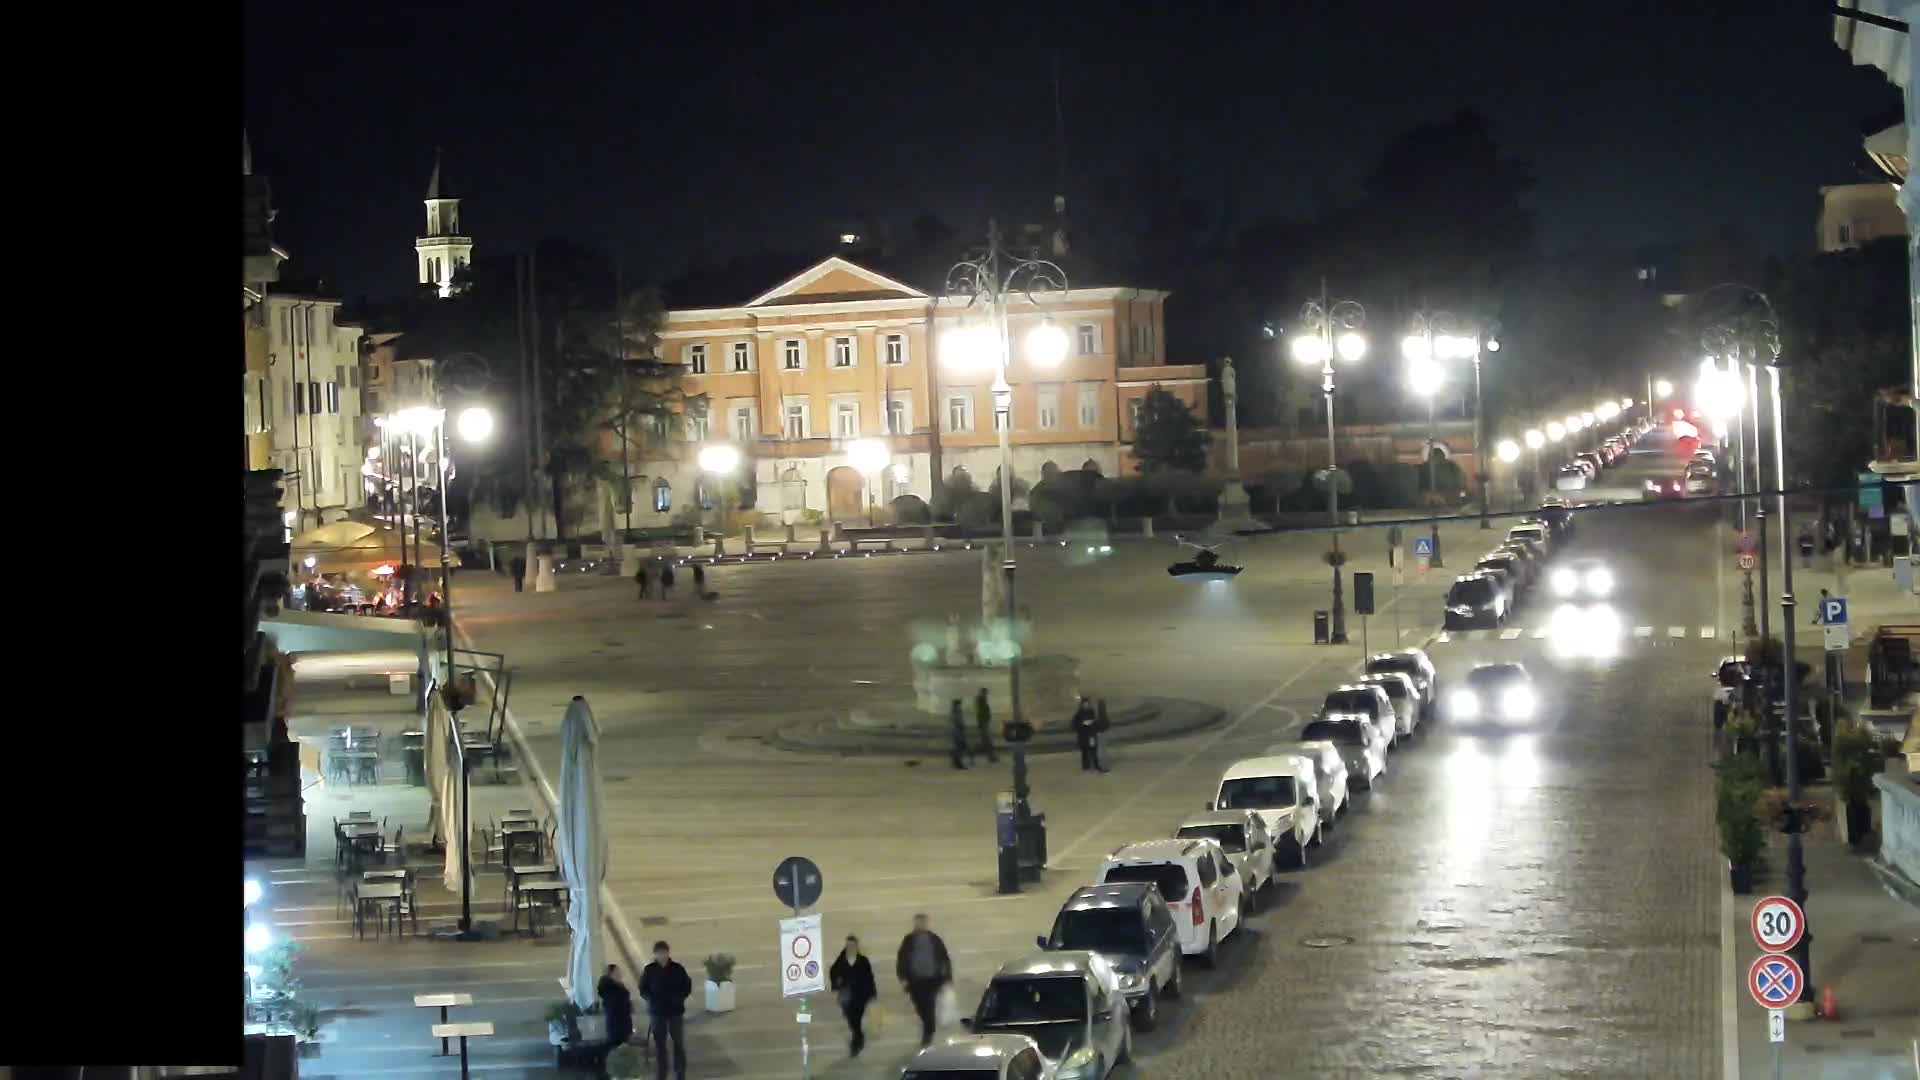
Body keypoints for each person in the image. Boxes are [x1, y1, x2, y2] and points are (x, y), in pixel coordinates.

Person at [895, 914, 952, 1047]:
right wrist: (902, 977)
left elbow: (944, 957)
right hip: (915, 980)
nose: (920, 925)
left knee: (929, 1005)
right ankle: (928, 1025)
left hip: (932, 979)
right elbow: (902, 958)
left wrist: (947, 977)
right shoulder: (908, 940)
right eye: (918, 923)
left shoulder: (934, 939)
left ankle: (928, 1032)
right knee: (919, 1006)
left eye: (922, 923)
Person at [638, 940, 691, 1080]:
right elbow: (642, 988)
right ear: (655, 954)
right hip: (657, 1012)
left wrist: (680, 998)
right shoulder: (649, 970)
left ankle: (680, 1073)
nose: (662, 956)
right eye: (659, 953)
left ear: (668, 953)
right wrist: (650, 999)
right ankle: (661, 1074)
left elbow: (687, 985)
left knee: (678, 1043)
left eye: (664, 953)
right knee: (660, 1044)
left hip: (675, 1011)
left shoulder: (677, 968)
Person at [829, 934, 878, 1057]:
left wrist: (872, 993)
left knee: (856, 1019)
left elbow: (869, 977)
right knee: (851, 1019)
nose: (850, 947)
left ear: (856, 946)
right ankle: (859, 1036)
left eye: (852, 945)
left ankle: (856, 1042)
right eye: (848, 945)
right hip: (846, 996)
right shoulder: (841, 960)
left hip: (860, 995)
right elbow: (833, 973)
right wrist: (836, 985)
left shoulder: (863, 960)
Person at [597, 963, 635, 1047]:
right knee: (619, 1049)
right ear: (610, 974)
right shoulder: (609, 988)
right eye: (617, 972)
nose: (620, 974)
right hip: (617, 1024)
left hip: (622, 1023)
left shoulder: (616, 986)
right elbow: (617, 1004)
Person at [1072, 697, 1098, 772]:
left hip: (1091, 734)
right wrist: (1083, 723)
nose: (1086, 705)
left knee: (1093, 750)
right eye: (1085, 704)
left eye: (1087, 704)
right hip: (1083, 735)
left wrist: (1092, 722)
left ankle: (1094, 765)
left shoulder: (1091, 711)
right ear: (1082, 704)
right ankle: (1085, 766)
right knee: (1085, 751)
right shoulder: (1079, 714)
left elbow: (1094, 720)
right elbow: (1075, 725)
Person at [974, 688, 997, 763]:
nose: (986, 695)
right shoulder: (981, 701)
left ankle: (991, 756)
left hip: (984, 722)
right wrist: (982, 722)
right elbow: (981, 713)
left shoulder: (982, 700)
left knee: (985, 741)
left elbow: (982, 712)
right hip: (984, 723)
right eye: (985, 693)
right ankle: (991, 757)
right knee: (988, 741)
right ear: (983, 693)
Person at [948, 699, 971, 769]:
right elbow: (957, 721)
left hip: (958, 732)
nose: (960, 706)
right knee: (960, 747)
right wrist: (962, 725)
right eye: (959, 705)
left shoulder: (956, 712)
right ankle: (958, 763)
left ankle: (956, 761)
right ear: (956, 705)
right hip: (957, 732)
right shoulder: (955, 712)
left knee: (959, 747)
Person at [1092, 697, 1113, 773]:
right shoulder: (1105, 716)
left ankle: (1101, 766)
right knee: (1104, 751)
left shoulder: (1098, 717)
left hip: (1099, 734)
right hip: (1104, 734)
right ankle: (1105, 767)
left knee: (1100, 751)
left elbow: (1094, 725)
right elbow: (1108, 724)